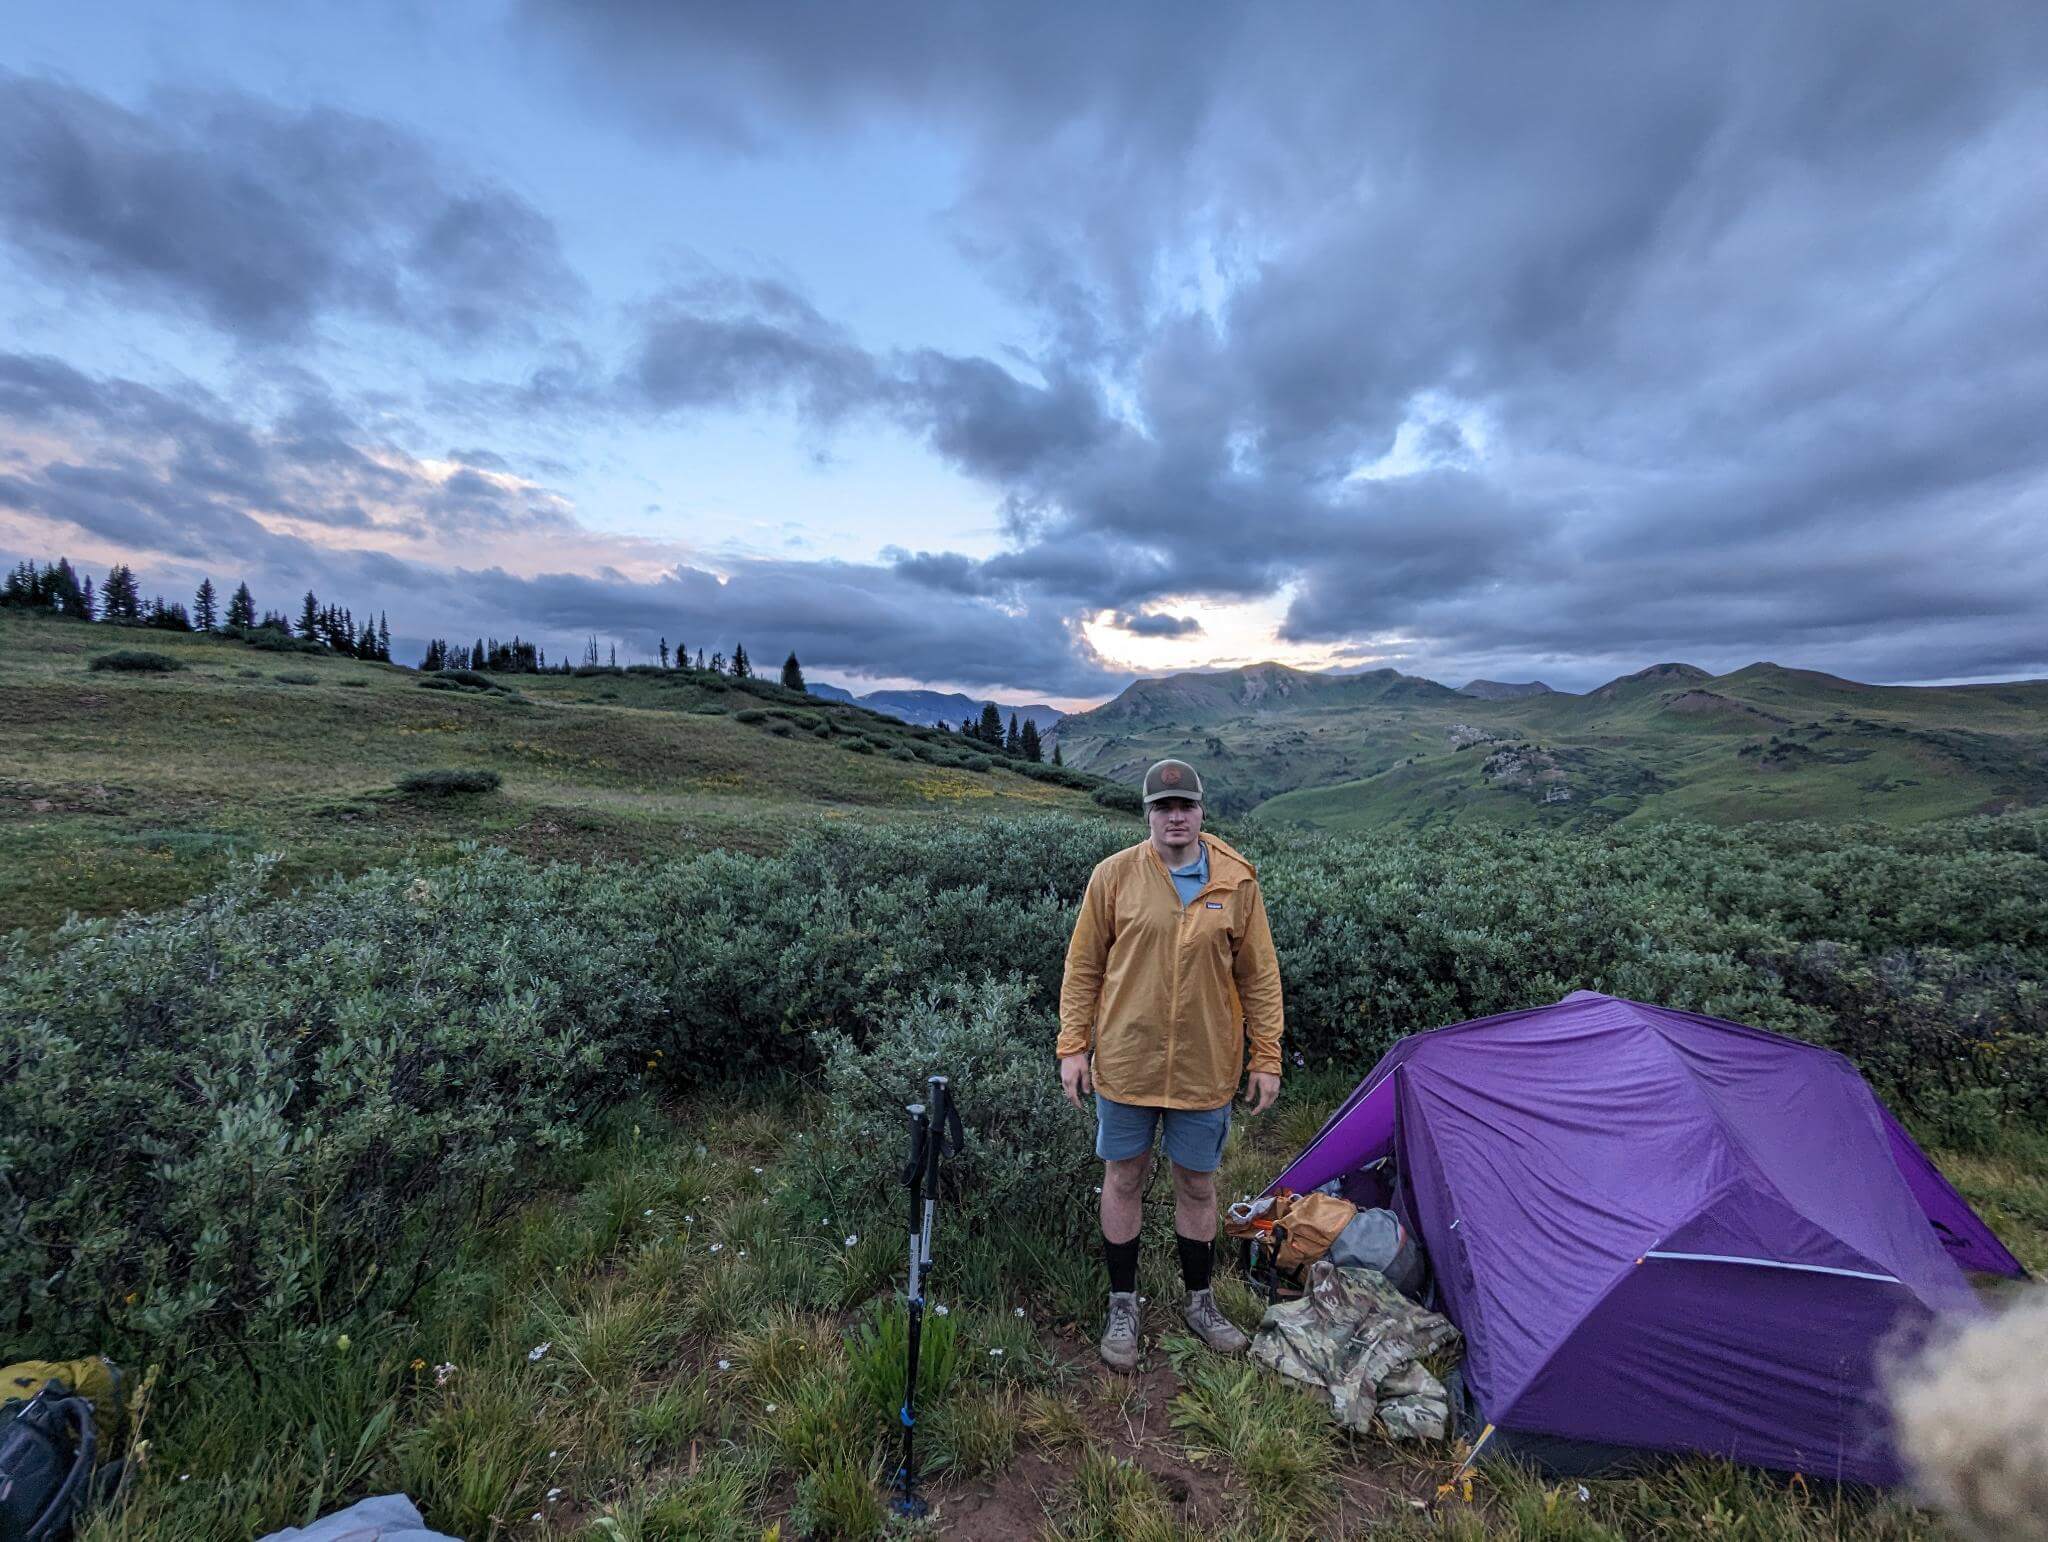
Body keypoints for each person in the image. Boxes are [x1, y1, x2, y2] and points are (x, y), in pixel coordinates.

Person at [1056, 758, 1286, 1371]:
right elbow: (1083, 967)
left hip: (1205, 1066)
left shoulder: (1237, 882)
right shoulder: (1113, 877)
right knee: (1124, 1177)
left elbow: (1259, 976)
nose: (1175, 816)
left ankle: (1200, 1302)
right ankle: (1123, 1304)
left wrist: (1266, 1056)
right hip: (1127, 1061)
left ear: (1202, 810)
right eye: (1163, 806)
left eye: (1184, 805)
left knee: (1198, 1184)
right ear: (1147, 813)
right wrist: (1072, 1046)